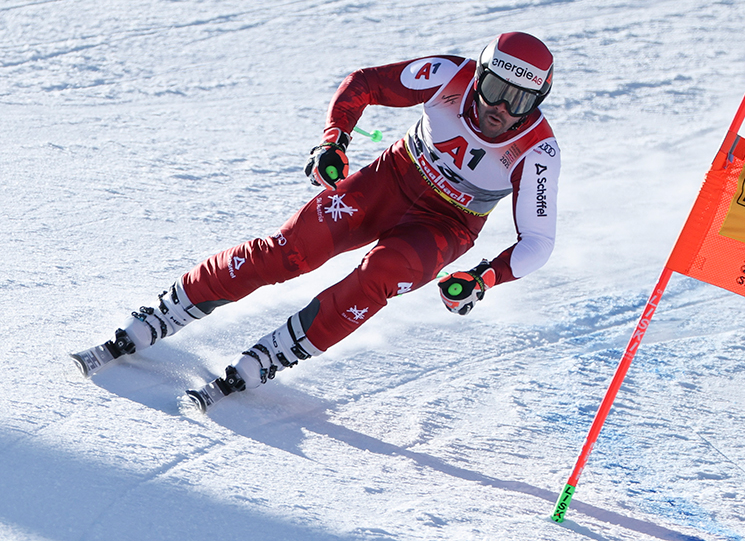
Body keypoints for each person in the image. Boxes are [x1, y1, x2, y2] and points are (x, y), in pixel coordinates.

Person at [74, 32, 561, 412]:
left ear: (537, 101)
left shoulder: (536, 151)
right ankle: (161, 315)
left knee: (381, 276)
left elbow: (537, 240)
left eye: (518, 100)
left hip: (445, 225)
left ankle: (274, 354)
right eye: (495, 89)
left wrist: (484, 277)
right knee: (291, 250)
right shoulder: (449, 75)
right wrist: (334, 141)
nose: (499, 108)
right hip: (391, 181)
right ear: (479, 74)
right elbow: (365, 83)